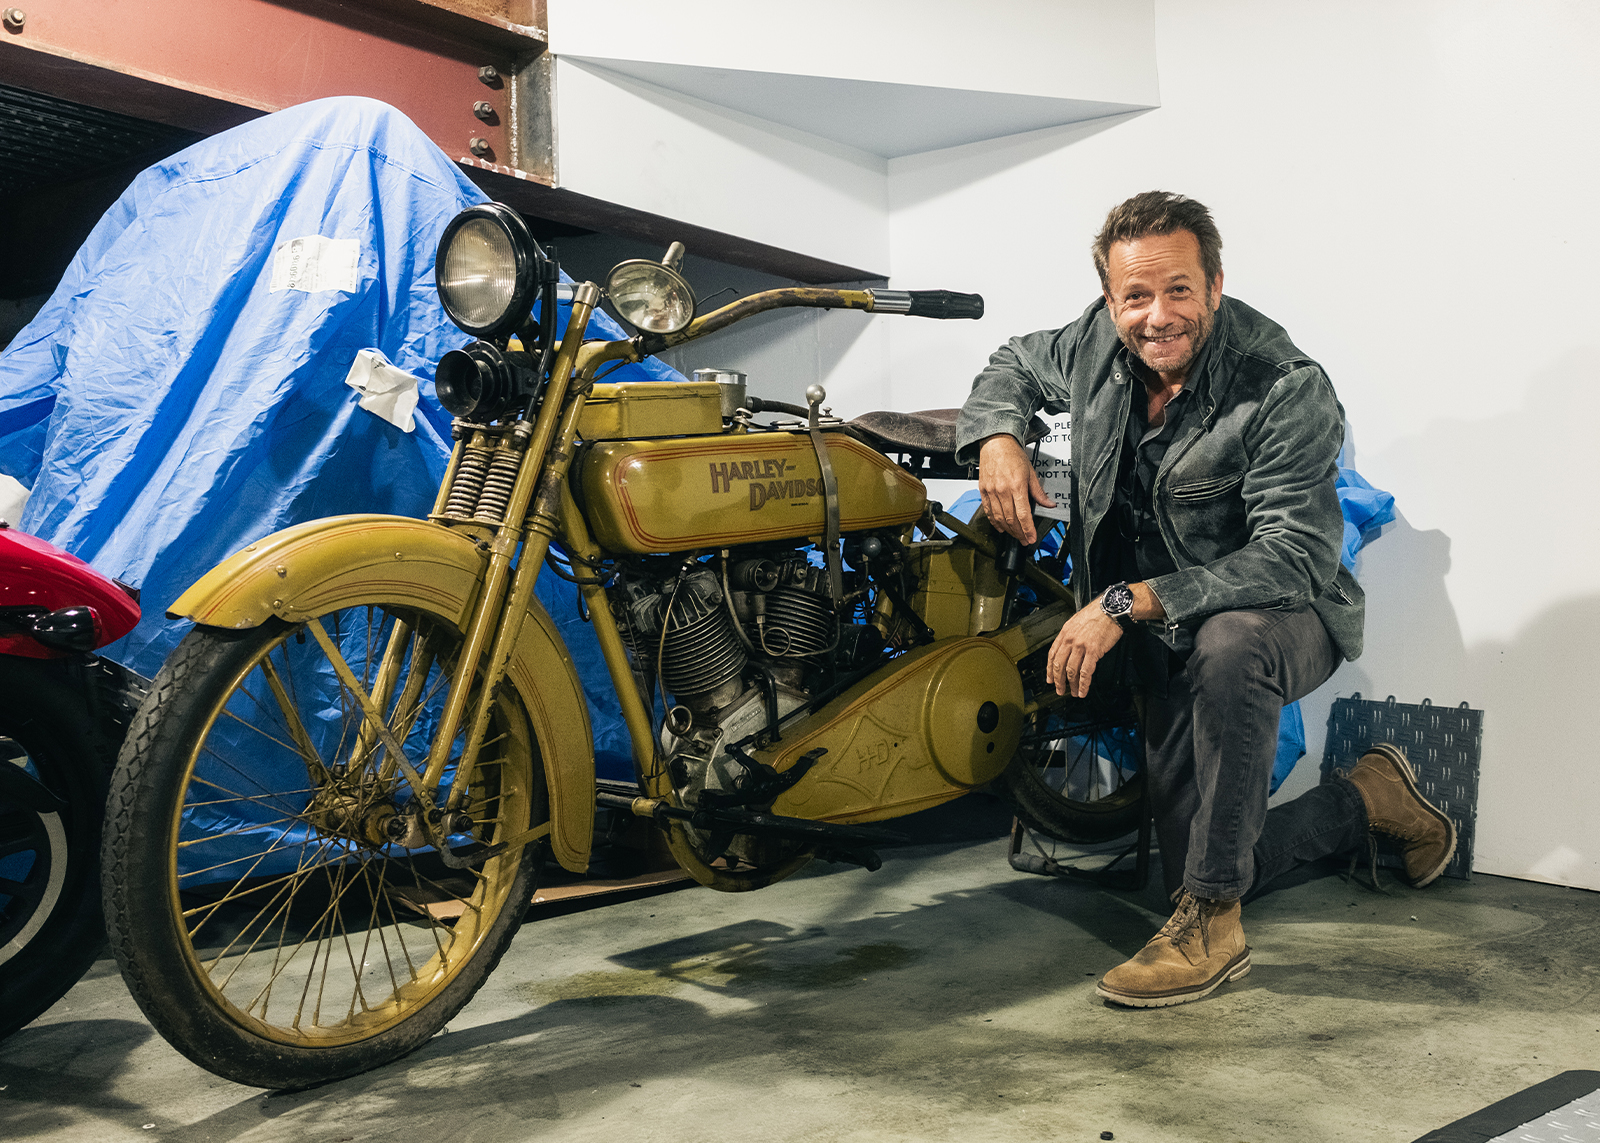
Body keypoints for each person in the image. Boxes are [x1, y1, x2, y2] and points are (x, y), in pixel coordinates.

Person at [954, 191, 1456, 1008]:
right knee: (1195, 864)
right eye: (1136, 296)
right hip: (1162, 629)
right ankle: (1367, 799)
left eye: (1178, 290)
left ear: (1215, 285)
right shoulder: (1096, 340)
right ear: (1110, 299)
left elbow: (1292, 557)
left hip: (1284, 615)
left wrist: (1125, 603)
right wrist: (998, 436)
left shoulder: (1284, 384)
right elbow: (1013, 360)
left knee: (1231, 645)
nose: (1157, 316)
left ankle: (1213, 926)